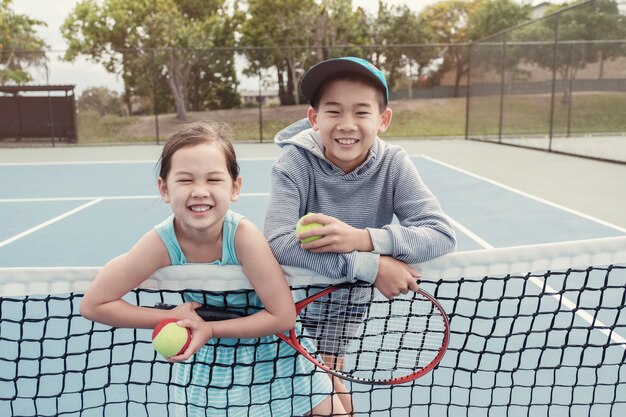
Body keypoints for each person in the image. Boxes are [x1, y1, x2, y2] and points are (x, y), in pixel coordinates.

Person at [80, 122, 346, 417]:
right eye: (186, 180)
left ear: (235, 188)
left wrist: (209, 328)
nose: (199, 191)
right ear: (164, 189)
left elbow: (282, 316)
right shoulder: (160, 242)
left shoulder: (243, 237)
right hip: (210, 368)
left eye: (213, 179)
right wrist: (170, 317)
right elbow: (95, 304)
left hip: (275, 355)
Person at [264, 56, 457, 414]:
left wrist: (363, 239)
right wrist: (370, 266)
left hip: (346, 306)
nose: (346, 125)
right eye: (333, 112)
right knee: (318, 397)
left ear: (383, 120)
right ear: (314, 118)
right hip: (287, 306)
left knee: (330, 378)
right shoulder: (294, 164)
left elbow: (441, 234)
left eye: (361, 112)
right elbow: (277, 242)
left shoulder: (394, 164)